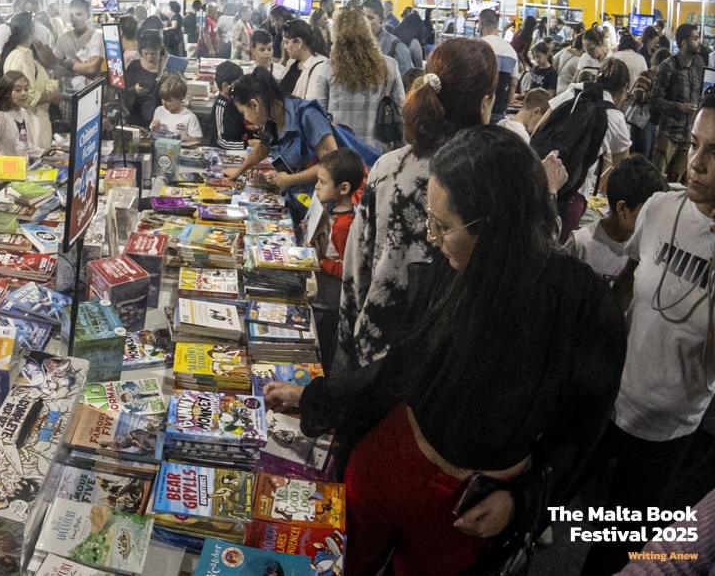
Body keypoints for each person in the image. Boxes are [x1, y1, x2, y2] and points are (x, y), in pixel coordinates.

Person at [267, 126, 625, 576]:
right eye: (429, 220)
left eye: (443, 225)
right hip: (389, 460)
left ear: (497, 225)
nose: (431, 238)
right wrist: (315, 397)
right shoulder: (449, 267)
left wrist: (522, 500)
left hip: (468, 509)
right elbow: (394, 372)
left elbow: (579, 434)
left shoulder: (584, 307)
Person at [581, 88, 715, 576]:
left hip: (667, 434)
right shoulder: (659, 208)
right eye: (696, 145)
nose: (695, 163)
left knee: (616, 547)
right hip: (611, 403)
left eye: (712, 152)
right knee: (560, 506)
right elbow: (629, 280)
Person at [337, 37, 497, 370]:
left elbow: (357, 264)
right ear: (484, 103)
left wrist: (348, 343)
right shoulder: (496, 178)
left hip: (379, 350)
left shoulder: (389, 169)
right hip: (454, 365)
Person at [226, 69, 339, 213]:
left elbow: (333, 164)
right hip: (294, 202)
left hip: (318, 206)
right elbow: (263, 148)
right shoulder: (273, 119)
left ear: (255, 105)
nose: (245, 119)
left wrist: (290, 179)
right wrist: (239, 171)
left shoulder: (307, 115)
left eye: (244, 113)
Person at [544, 57, 631, 239]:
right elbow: (623, 170)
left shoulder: (574, 92)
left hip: (539, 178)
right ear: (624, 89)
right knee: (557, 247)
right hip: (572, 194)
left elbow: (539, 126)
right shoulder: (615, 117)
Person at [309, 5, 405, 152]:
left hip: (340, 152)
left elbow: (319, 118)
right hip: (378, 151)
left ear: (337, 34)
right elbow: (401, 109)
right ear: (367, 31)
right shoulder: (390, 66)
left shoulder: (328, 68)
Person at [563, 154, 666, 287]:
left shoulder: (647, 247)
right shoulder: (581, 243)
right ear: (622, 208)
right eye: (648, 213)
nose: (654, 220)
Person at [306, 147, 365, 371]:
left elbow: (349, 269)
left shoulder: (345, 225)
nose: (316, 186)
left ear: (343, 188)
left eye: (322, 182)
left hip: (331, 301)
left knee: (323, 347)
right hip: (323, 296)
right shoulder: (333, 214)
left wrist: (319, 262)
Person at [650, 22, 704, 184]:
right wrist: (679, 107)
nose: (699, 42)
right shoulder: (668, 66)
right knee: (658, 179)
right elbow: (655, 100)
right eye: (695, 38)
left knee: (679, 182)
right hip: (668, 134)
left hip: (689, 135)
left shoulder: (699, 64)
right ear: (684, 43)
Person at [0, 13, 58, 152]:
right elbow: (26, 95)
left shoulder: (26, 54)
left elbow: (51, 64)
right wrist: (52, 97)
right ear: (30, 31)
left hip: (36, 117)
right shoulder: (21, 57)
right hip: (32, 121)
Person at [475, 9, 518, 123]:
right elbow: (513, 84)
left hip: (476, 108)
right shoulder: (510, 50)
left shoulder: (477, 47)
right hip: (497, 110)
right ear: (497, 24)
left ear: (481, 24)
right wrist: (504, 107)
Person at [53, 0, 105, 91]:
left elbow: (92, 69)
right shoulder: (62, 38)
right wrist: (83, 67)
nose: (75, 18)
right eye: (71, 15)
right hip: (69, 91)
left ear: (88, 15)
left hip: (91, 91)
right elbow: (57, 70)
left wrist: (71, 65)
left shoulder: (96, 37)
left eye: (79, 14)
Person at [121, 28, 165, 129]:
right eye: (145, 53)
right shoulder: (134, 66)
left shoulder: (167, 66)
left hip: (161, 118)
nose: (149, 57)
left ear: (160, 49)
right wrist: (134, 90)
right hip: (137, 116)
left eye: (153, 53)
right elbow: (123, 93)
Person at [279, 18, 330, 100]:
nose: (285, 47)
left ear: (298, 42)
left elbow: (312, 103)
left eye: (286, 42)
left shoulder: (319, 66)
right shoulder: (292, 62)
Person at [0, 71, 36, 158]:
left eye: (26, 89)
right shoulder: (1, 116)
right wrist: (9, 163)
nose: (23, 93)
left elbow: (25, 145)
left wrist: (46, 151)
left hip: (23, 166)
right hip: (7, 168)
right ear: (6, 93)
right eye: (18, 90)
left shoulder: (23, 113)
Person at [362, 0, 414, 75]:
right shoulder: (355, 45)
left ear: (382, 19)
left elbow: (407, 82)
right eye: (362, 18)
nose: (365, 22)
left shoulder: (397, 48)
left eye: (370, 18)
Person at [205, 60, 247, 151]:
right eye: (237, 84)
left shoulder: (234, 101)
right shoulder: (220, 106)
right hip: (225, 153)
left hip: (240, 149)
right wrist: (247, 145)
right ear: (225, 86)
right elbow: (221, 141)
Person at [150, 75, 201, 142]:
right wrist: (155, 127)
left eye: (169, 101)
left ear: (180, 99)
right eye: (163, 99)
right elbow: (153, 133)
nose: (164, 103)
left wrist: (180, 137)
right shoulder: (159, 110)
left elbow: (197, 139)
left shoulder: (189, 117)